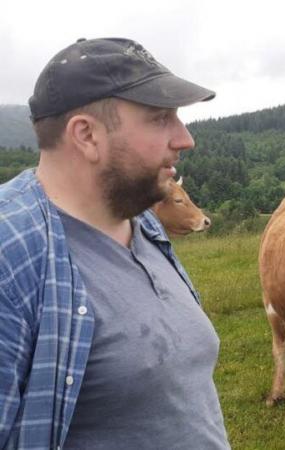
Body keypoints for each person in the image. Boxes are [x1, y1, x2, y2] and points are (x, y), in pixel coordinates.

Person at [0, 38, 229, 449]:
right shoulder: (9, 257)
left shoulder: (141, 222)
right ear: (86, 135)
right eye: (160, 118)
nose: (185, 138)